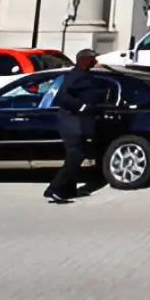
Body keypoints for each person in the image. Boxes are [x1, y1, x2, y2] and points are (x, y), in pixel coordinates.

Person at [44, 48, 105, 203]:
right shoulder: (75, 76)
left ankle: (67, 190)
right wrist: (81, 106)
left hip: (79, 123)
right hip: (71, 123)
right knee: (75, 155)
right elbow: (61, 96)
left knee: (77, 155)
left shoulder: (85, 75)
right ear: (85, 61)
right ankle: (54, 189)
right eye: (93, 59)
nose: (96, 62)